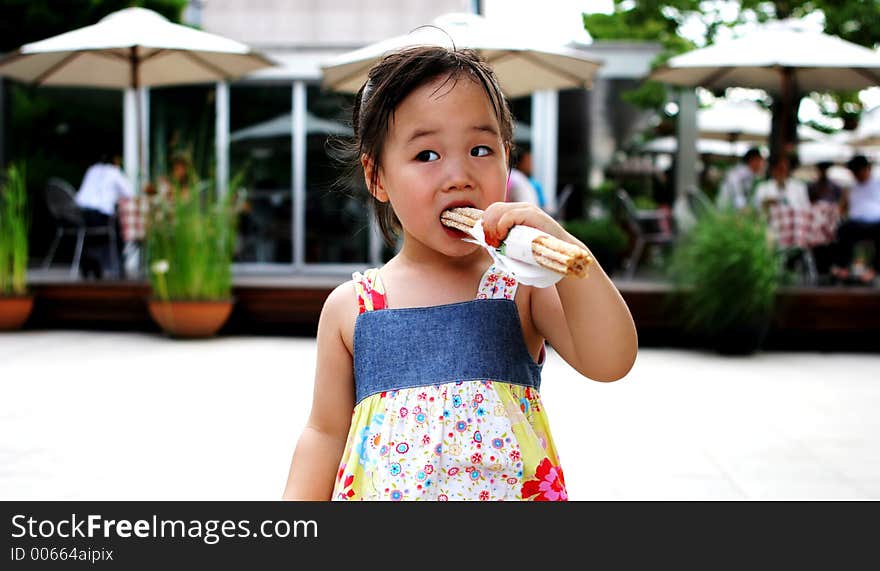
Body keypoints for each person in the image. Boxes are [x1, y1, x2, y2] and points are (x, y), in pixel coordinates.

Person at [281, 46, 638, 501]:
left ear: (507, 160)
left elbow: (611, 360)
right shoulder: (353, 307)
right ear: (377, 177)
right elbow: (325, 433)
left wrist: (561, 250)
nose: (459, 175)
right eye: (427, 154)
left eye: (481, 149)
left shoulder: (520, 286)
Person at [74, 153, 134, 279]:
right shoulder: (114, 172)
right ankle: (118, 266)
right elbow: (129, 193)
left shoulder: (92, 170)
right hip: (99, 216)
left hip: (80, 216)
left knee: (91, 237)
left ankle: (94, 264)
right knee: (117, 231)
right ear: (116, 162)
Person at [830, 155, 880, 285]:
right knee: (842, 230)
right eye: (854, 172)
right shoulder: (851, 188)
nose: (857, 175)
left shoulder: (878, 183)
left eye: (859, 171)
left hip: (876, 223)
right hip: (855, 224)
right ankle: (843, 267)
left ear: (867, 169)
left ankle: (875, 270)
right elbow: (841, 208)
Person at [715, 147, 765, 211]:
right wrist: (743, 208)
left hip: (732, 210)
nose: (762, 164)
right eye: (760, 161)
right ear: (753, 160)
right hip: (726, 210)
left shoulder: (751, 176)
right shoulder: (738, 173)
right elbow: (738, 194)